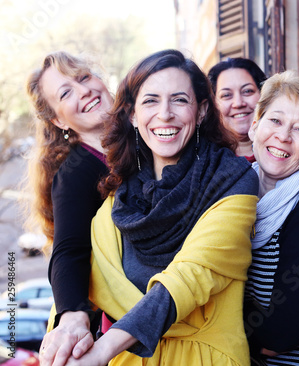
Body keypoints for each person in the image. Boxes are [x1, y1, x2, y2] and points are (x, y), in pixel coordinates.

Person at [63, 49, 259, 366]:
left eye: (180, 100)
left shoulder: (233, 180)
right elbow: (77, 265)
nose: (165, 113)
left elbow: (192, 275)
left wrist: (101, 351)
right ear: (132, 115)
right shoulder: (118, 197)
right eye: (151, 100)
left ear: (202, 111)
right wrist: (65, 332)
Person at [25, 51, 113, 365]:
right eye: (66, 93)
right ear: (59, 119)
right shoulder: (75, 174)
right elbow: (69, 250)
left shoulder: (147, 134)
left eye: (84, 77)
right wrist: (74, 317)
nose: (84, 91)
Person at [244, 70, 299, 365]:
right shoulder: (236, 190)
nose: (283, 136)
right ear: (254, 126)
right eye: (275, 120)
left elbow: (282, 334)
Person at [208, 57, 267, 162]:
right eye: (226, 95)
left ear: (263, 94)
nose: (238, 103)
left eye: (247, 91)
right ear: (213, 105)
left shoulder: (283, 148)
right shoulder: (204, 161)